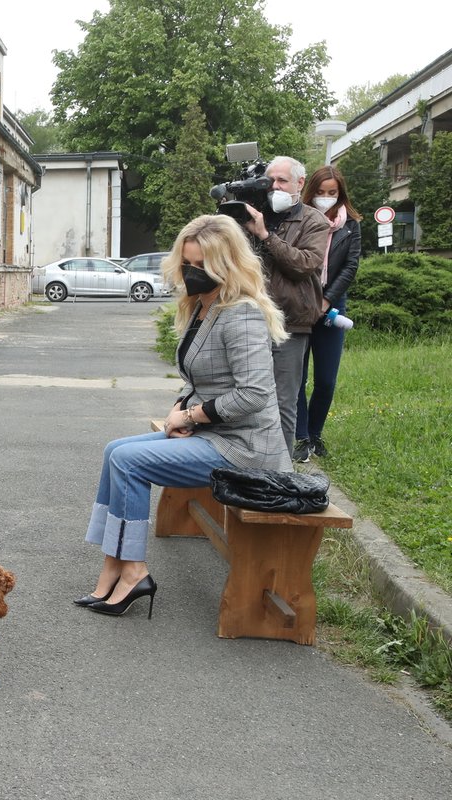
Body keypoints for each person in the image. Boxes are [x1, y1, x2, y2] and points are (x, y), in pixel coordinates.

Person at [75, 215, 291, 618]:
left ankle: (134, 570)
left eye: (199, 267)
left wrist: (193, 415)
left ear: (225, 266)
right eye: (187, 264)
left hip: (244, 449)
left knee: (128, 460)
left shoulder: (241, 313)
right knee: (114, 450)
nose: (191, 273)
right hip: (213, 434)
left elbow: (255, 393)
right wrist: (183, 407)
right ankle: (114, 565)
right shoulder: (203, 307)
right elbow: (205, 377)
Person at [240, 155, 329, 455]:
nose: (274, 187)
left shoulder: (314, 221)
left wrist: (265, 235)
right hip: (250, 319)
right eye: (270, 181)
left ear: (300, 184)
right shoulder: (255, 214)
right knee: (246, 395)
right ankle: (249, 462)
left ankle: (280, 472)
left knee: (283, 401)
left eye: (282, 181)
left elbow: (305, 265)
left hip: (290, 323)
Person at [294, 165, 362, 462]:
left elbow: (350, 266)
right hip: (299, 306)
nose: (325, 198)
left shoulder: (352, 225)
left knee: (326, 380)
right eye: (320, 192)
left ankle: (315, 433)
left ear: (340, 193)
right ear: (311, 193)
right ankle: (300, 437)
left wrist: (327, 300)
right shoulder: (299, 218)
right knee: (296, 377)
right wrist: (309, 300)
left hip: (332, 307)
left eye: (331, 193)